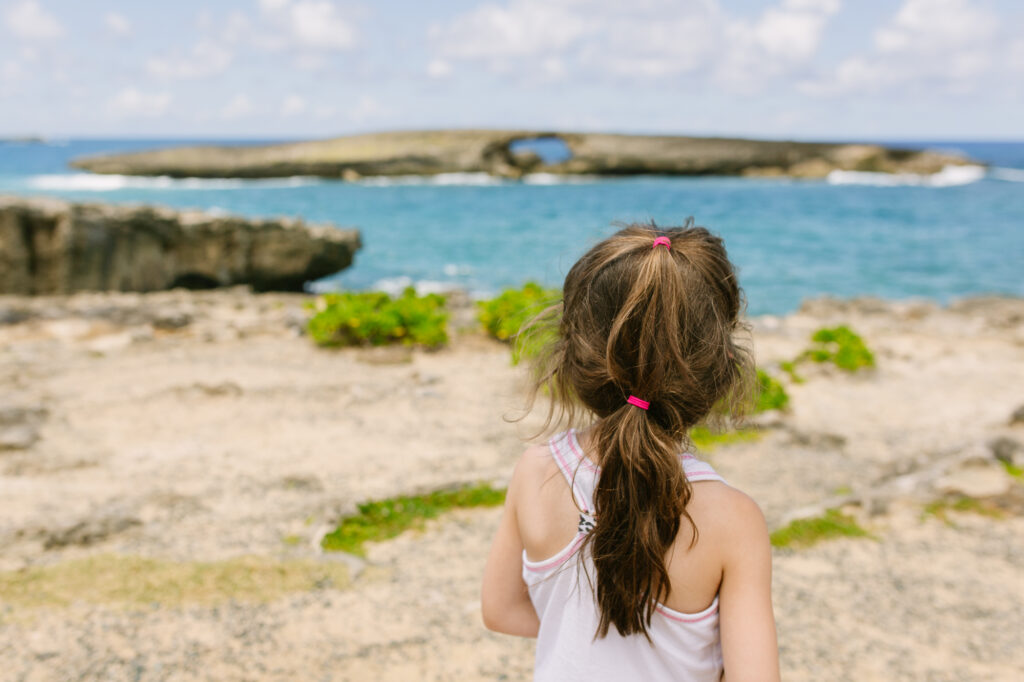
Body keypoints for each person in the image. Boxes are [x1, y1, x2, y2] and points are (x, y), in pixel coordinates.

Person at [481, 221, 780, 681]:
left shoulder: (536, 470)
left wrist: (580, 641)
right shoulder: (733, 520)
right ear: (719, 370)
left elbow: (500, 610)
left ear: (573, 352)